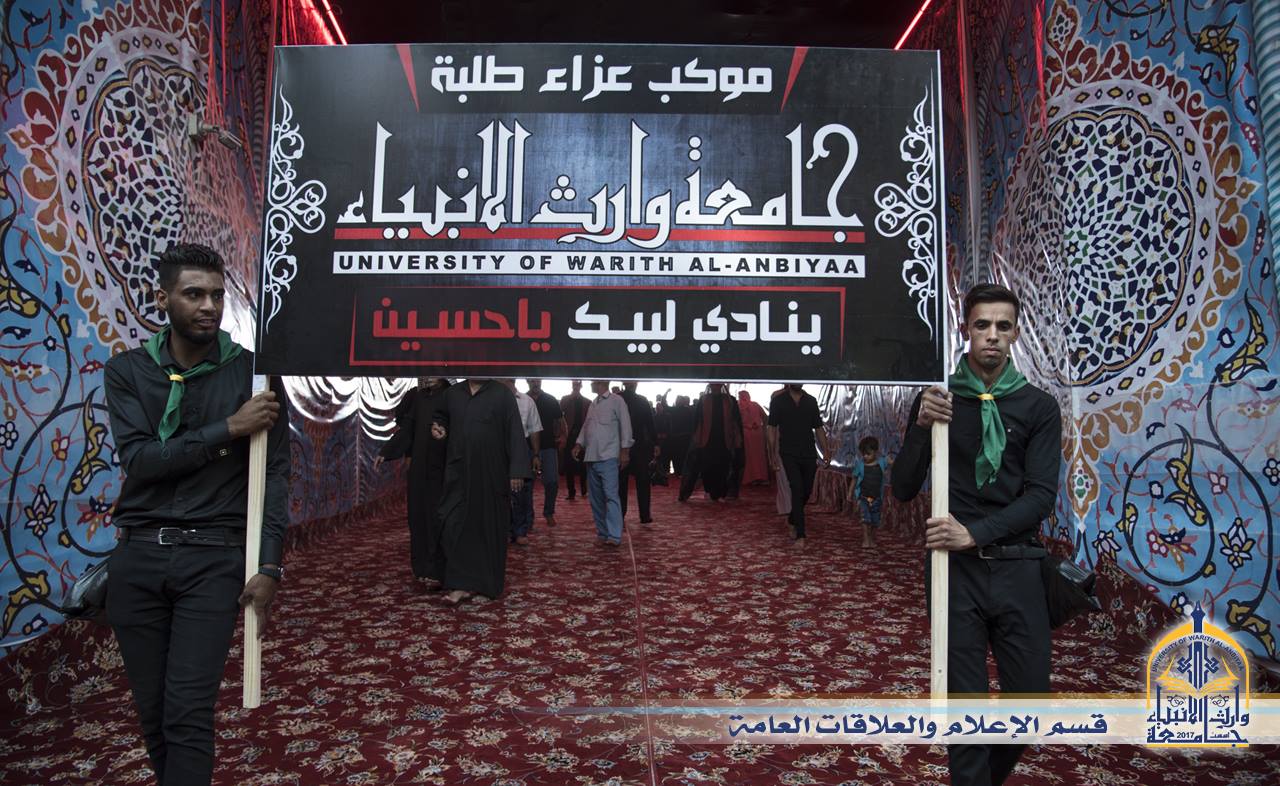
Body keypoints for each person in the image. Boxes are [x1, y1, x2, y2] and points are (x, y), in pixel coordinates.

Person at [103, 243, 289, 786]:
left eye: (216, 295)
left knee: (187, 712)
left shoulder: (255, 375)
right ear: (163, 299)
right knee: (154, 715)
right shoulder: (128, 372)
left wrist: (269, 566)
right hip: (137, 558)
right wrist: (228, 429)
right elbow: (140, 461)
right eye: (194, 294)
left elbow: (275, 476)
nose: (209, 306)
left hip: (213, 560)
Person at [891, 283, 1061, 786]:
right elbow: (902, 488)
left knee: (1030, 703)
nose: (992, 335)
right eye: (982, 325)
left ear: (1015, 334)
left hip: (1018, 566)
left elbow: (1040, 497)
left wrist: (975, 533)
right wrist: (921, 426)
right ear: (966, 329)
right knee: (963, 704)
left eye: (1003, 326)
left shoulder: (1038, 407)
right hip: (954, 573)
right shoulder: (938, 399)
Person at [431, 379, 529, 606]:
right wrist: (438, 428)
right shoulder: (452, 394)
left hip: (491, 472)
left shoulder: (502, 394)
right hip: (458, 471)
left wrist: (517, 470)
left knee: (488, 528)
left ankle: (486, 586)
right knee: (452, 523)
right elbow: (440, 417)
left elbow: (515, 432)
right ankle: (459, 584)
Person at [375, 377, 451, 588]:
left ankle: (438, 571)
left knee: (437, 519)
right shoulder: (419, 398)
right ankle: (422, 569)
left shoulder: (452, 396)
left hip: (442, 469)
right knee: (417, 517)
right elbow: (408, 428)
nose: (429, 375)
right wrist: (387, 451)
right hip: (419, 469)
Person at [767, 383, 831, 549]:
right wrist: (772, 453)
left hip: (808, 452)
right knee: (796, 488)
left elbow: (818, 427)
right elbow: (771, 428)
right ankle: (800, 534)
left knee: (806, 491)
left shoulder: (810, 401)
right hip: (788, 452)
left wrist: (826, 450)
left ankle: (792, 518)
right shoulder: (779, 401)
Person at [572, 380, 632, 546]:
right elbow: (586, 427)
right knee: (596, 499)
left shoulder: (617, 401)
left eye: (593, 381)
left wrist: (625, 451)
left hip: (609, 456)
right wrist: (578, 444)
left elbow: (626, 426)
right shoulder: (593, 404)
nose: (590, 384)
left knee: (611, 496)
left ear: (600, 382)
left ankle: (614, 535)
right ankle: (603, 532)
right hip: (592, 457)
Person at [678, 383, 742, 502]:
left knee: (723, 467)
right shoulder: (704, 400)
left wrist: (737, 439)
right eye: (713, 385)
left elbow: (736, 421)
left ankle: (721, 492)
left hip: (725, 440)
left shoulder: (730, 400)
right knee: (707, 467)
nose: (715, 387)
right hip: (707, 440)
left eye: (717, 385)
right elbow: (697, 421)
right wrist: (697, 439)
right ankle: (710, 491)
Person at [503, 379, 542, 546]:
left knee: (521, 491)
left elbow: (534, 430)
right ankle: (504, 529)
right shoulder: (493, 398)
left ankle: (520, 531)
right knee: (500, 491)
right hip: (497, 447)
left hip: (522, 446)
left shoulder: (527, 401)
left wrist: (535, 455)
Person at [527, 379, 566, 527]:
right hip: (527, 447)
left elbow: (560, 420)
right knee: (527, 484)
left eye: (537, 381)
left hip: (549, 446)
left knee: (552, 482)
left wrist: (562, 436)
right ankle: (528, 517)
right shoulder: (524, 399)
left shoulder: (550, 400)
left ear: (541, 381)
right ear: (527, 381)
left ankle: (549, 512)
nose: (535, 383)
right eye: (532, 381)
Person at [618, 381, 657, 524]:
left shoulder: (617, 398)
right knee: (643, 482)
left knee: (621, 483)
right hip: (638, 446)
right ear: (636, 384)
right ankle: (644, 515)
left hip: (621, 445)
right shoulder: (642, 400)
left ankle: (620, 514)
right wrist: (656, 443)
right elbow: (650, 424)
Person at [847, 436, 891, 549]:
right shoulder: (860, 465)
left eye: (868, 454)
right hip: (863, 497)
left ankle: (872, 538)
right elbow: (854, 479)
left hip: (877, 498)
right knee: (865, 519)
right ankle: (866, 539)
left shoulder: (881, 462)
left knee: (875, 520)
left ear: (876, 452)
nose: (865, 456)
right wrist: (850, 493)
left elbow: (891, 462)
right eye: (863, 454)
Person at [560, 380, 590, 500]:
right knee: (569, 465)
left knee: (583, 465)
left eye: (578, 384)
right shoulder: (565, 399)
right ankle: (571, 492)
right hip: (569, 436)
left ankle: (584, 490)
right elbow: (560, 415)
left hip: (582, 436)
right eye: (574, 384)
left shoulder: (587, 402)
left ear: (581, 386)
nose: (576, 386)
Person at [737, 390, 770, 486]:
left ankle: (751, 478)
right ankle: (762, 477)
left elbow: (736, 422)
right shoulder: (755, 404)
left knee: (750, 457)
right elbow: (765, 417)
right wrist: (763, 427)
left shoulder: (739, 406)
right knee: (760, 456)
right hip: (758, 433)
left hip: (746, 433)